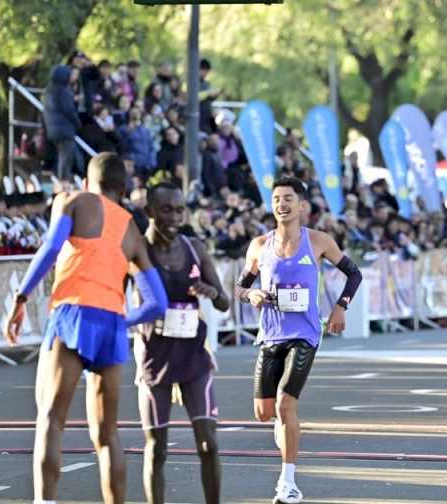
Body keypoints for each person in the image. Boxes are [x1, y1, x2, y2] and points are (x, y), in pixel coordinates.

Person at [3, 152, 169, 504]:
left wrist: (21, 297)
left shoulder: (72, 201)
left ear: (86, 181)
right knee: (108, 434)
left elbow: (50, 249)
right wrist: (126, 319)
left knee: (51, 417)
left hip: (72, 312)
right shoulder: (132, 230)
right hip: (110, 323)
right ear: (123, 190)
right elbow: (158, 303)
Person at [235, 176, 363, 504]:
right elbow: (237, 288)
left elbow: (354, 273)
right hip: (271, 335)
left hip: (305, 334)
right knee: (264, 413)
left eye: (289, 198)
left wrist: (340, 307)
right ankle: (284, 426)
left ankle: (288, 482)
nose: (282, 204)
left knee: (285, 404)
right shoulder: (259, 246)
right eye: (277, 198)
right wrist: (251, 294)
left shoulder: (319, 241)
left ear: (302, 205)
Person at [136, 182, 229, 504]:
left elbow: (224, 302)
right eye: (166, 210)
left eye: (179, 210)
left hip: (193, 356)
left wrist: (211, 291)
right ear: (149, 212)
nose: (174, 217)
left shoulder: (195, 249)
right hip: (155, 356)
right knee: (157, 448)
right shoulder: (137, 250)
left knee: (208, 443)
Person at [43, 65, 82, 178]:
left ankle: (61, 178)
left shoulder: (49, 91)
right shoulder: (64, 91)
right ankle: (63, 181)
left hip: (53, 129)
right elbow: (69, 110)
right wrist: (77, 123)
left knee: (61, 156)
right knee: (66, 157)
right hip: (65, 130)